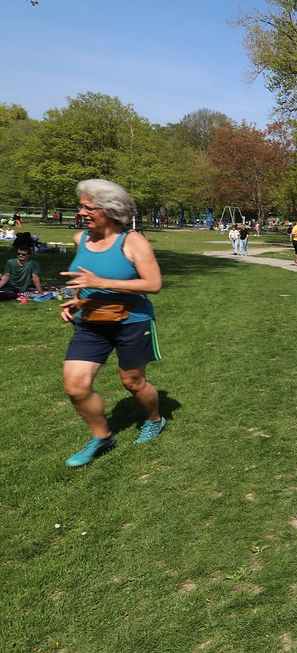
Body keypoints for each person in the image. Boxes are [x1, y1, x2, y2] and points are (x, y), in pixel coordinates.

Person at [58, 179, 165, 467]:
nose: (82, 213)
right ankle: (102, 436)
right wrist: (75, 298)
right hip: (91, 322)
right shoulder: (81, 240)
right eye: (81, 207)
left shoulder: (132, 241)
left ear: (110, 209)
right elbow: (82, 279)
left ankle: (154, 419)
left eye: (88, 207)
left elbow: (153, 284)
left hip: (131, 320)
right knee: (76, 387)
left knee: (132, 381)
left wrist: (101, 282)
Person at [0, 233, 44, 298]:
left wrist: (40, 292)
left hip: (18, 289)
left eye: (23, 254)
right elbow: (6, 276)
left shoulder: (33, 264)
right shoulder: (10, 262)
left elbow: (35, 277)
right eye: (19, 254)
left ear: (29, 255)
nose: (20, 255)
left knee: (11, 294)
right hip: (9, 285)